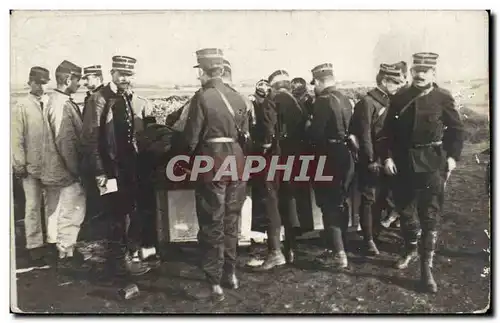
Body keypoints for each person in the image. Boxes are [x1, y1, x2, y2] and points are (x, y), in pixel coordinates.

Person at [382, 52, 465, 293]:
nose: (419, 75)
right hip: (403, 164)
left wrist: (452, 157)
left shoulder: (442, 98)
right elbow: (387, 133)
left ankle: (426, 271)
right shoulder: (400, 98)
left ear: (433, 74)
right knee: (406, 214)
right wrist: (386, 156)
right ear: (411, 73)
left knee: (429, 216)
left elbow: (457, 130)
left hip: (431, 164)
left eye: (425, 72)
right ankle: (409, 249)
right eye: (416, 71)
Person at [183, 48, 249, 301]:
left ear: (202, 70)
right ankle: (230, 274)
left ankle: (214, 283)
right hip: (237, 161)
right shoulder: (238, 97)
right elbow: (245, 134)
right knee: (232, 221)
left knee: (212, 222)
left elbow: (190, 138)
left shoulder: (202, 97)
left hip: (212, 161)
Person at [81, 55, 154, 276]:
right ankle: (119, 265)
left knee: (129, 212)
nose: (125, 78)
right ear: (112, 73)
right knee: (116, 217)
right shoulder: (100, 98)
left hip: (128, 167)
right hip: (110, 169)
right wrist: (100, 171)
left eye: (129, 75)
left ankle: (126, 258)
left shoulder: (125, 96)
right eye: (121, 74)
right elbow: (91, 139)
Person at [348, 63, 405, 255]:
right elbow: (363, 135)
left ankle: (375, 232)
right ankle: (368, 239)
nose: (398, 85)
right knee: (369, 198)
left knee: (381, 197)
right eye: (395, 82)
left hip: (386, 157)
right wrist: (371, 159)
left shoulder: (388, 101)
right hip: (371, 158)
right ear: (384, 81)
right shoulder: (368, 102)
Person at [307, 63, 354, 268]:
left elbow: (315, 135)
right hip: (346, 154)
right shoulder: (345, 99)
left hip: (327, 157)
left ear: (318, 82)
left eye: (314, 84)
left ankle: (338, 253)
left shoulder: (323, 101)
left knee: (328, 204)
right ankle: (340, 246)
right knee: (341, 201)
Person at [41, 60, 86, 269]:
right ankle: (66, 254)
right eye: (77, 80)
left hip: (58, 169)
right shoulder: (61, 104)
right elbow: (65, 141)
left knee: (60, 211)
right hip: (66, 171)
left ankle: (64, 251)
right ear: (68, 79)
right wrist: (77, 170)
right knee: (72, 210)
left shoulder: (56, 100)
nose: (80, 84)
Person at [12, 66, 50, 266]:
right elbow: (16, 138)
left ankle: (51, 241)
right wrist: (19, 164)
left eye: (45, 83)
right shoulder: (21, 106)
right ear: (30, 82)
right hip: (30, 165)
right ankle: (34, 245)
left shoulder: (49, 102)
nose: (41, 87)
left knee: (51, 205)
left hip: (50, 165)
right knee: (33, 205)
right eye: (38, 82)